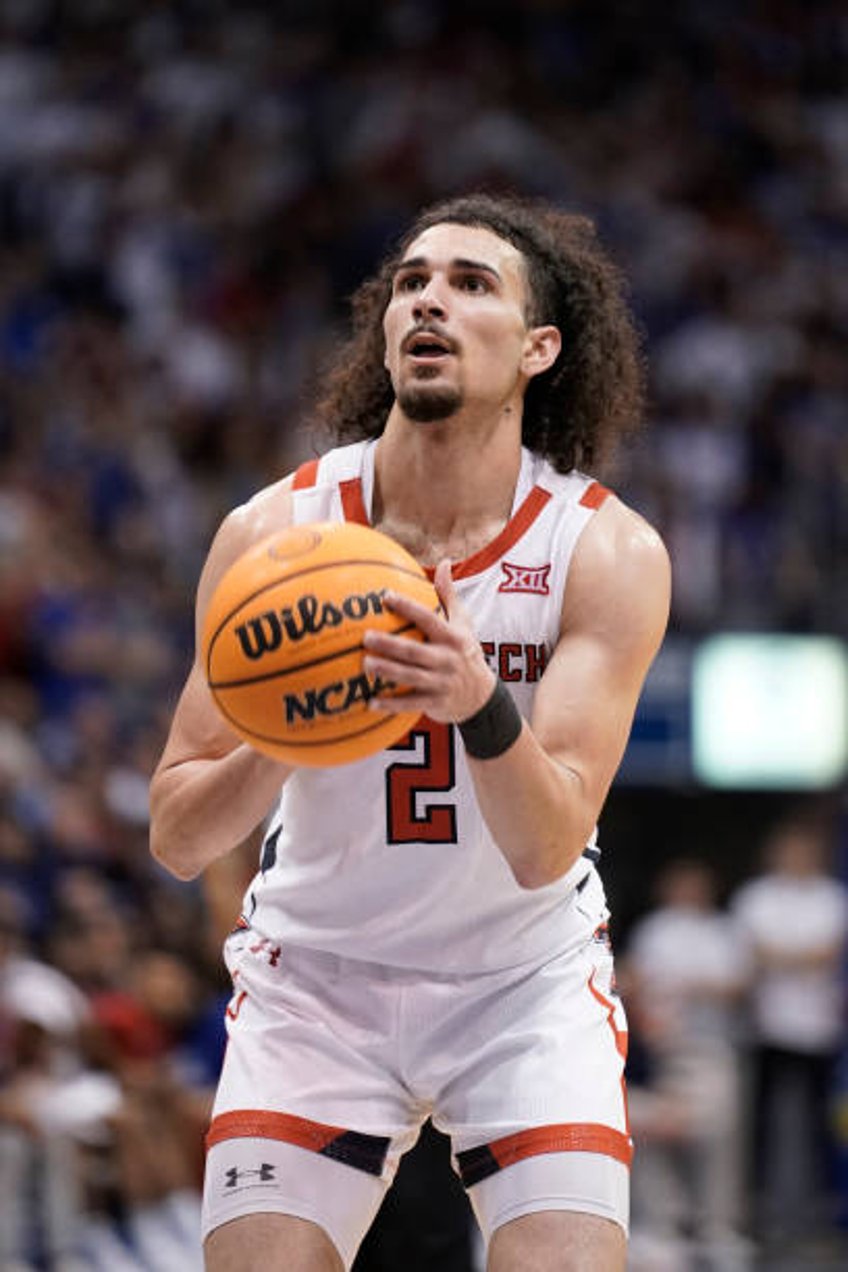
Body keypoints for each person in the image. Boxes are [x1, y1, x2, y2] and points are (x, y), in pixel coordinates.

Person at [149, 192, 671, 1272]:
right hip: (318, 982)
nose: (429, 300)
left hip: (517, 985)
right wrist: (291, 732)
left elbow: (545, 841)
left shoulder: (602, 551)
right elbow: (177, 834)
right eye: (411, 282)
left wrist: (475, 698)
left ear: (538, 348)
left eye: (470, 283)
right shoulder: (273, 536)